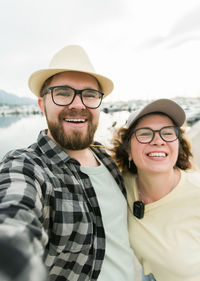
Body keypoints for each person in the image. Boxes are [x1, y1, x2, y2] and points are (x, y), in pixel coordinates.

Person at [0, 45, 135, 281]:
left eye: (90, 94)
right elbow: (13, 222)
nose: (78, 104)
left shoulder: (108, 160)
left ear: (99, 104)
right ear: (42, 105)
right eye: (63, 92)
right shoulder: (27, 167)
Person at [111, 98, 200, 281]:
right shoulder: (119, 187)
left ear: (178, 144)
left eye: (168, 133)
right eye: (145, 134)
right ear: (128, 150)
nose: (158, 141)